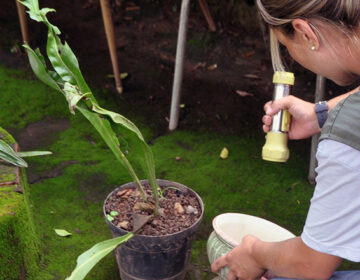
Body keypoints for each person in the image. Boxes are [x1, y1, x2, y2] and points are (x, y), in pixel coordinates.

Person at [211, 1, 360, 279]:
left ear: (305, 33)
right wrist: (321, 114)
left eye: (286, 46)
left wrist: (255, 253)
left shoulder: (347, 139)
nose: (290, 54)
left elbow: (310, 265)